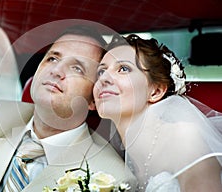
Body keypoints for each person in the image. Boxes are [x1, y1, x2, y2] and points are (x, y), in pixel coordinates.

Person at [0, 25, 137, 191]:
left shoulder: (112, 179)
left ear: (94, 99)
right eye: (52, 58)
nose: (56, 70)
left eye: (77, 68)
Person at [93, 34, 222, 191]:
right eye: (101, 71)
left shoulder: (184, 138)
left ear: (156, 91)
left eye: (123, 69)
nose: (104, 79)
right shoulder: (114, 155)